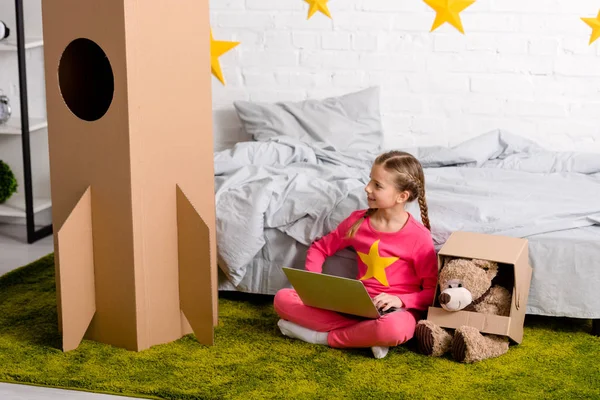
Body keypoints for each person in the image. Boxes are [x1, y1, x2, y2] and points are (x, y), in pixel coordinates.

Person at [273, 150, 438, 359]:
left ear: (402, 196)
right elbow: (320, 248)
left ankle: (320, 338)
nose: (367, 188)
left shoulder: (418, 236)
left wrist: (400, 300)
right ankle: (366, 336)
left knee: (394, 328)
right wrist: (313, 284)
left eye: (377, 185)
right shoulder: (357, 222)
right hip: (356, 306)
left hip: (395, 313)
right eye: (370, 180)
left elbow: (431, 291)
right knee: (282, 299)